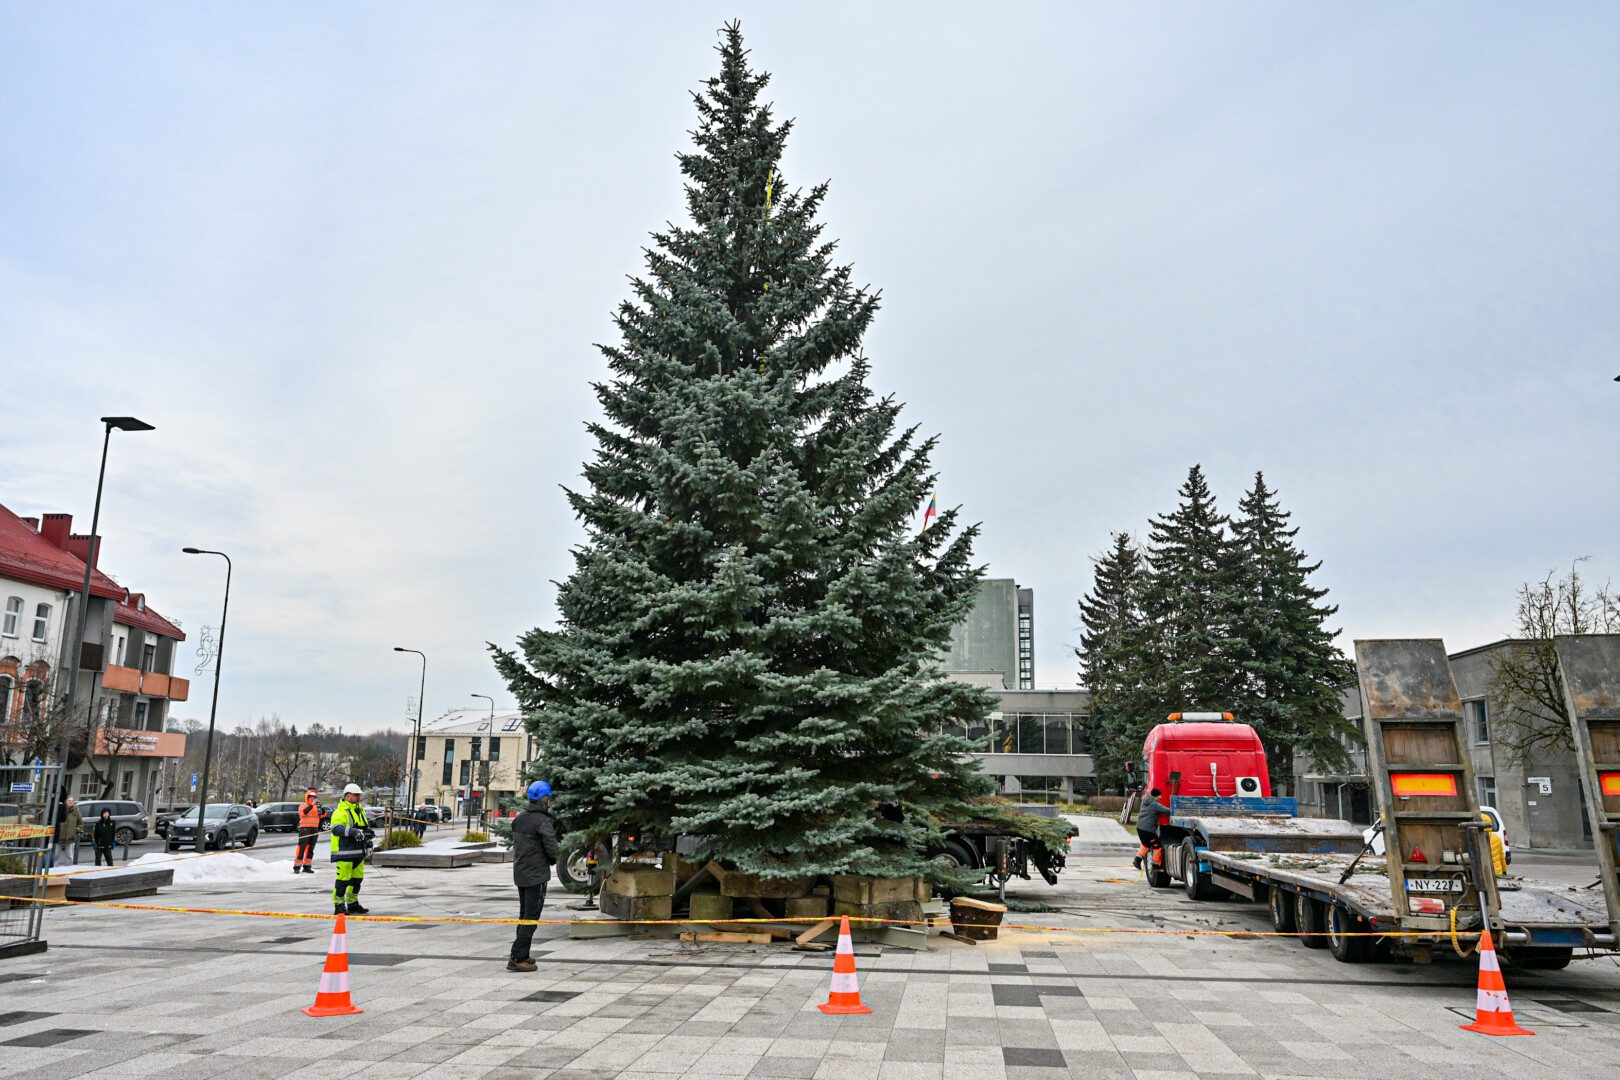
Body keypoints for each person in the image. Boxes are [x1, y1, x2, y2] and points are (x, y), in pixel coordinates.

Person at [507, 780, 559, 973]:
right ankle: (517, 957)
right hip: (536, 875)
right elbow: (551, 847)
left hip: (521, 874)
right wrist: (552, 859)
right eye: (548, 798)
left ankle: (523, 953)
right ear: (544, 799)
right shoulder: (543, 821)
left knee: (524, 915)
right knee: (531, 916)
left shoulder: (520, 818)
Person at [329, 784, 374, 915]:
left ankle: (352, 903)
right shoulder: (340, 811)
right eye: (356, 795)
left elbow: (363, 829)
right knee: (343, 881)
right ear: (348, 796)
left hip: (358, 853)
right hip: (344, 852)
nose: (358, 797)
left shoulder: (359, 810)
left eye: (359, 795)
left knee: (356, 880)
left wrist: (368, 841)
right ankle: (339, 905)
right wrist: (353, 831)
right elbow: (336, 829)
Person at [1132, 787, 1172, 870]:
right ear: (1156, 796)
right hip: (1148, 830)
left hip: (1140, 828)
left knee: (1146, 844)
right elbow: (1167, 811)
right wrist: (1176, 810)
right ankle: (1155, 864)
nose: (1161, 797)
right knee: (1157, 846)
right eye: (1160, 795)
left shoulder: (1145, 801)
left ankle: (1137, 860)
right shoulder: (1155, 804)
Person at [293, 789, 321, 874]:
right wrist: (311, 805)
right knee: (301, 848)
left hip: (314, 829)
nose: (312, 799)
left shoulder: (317, 807)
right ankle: (297, 866)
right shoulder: (303, 806)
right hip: (305, 829)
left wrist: (320, 807)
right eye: (310, 797)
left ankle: (307, 866)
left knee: (310, 848)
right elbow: (303, 813)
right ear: (307, 798)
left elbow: (323, 815)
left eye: (314, 797)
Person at [53, 796, 83, 868]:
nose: (71, 802)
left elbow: (80, 823)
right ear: (66, 801)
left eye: (72, 800)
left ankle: (68, 868)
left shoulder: (76, 811)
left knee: (69, 855)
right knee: (56, 854)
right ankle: (54, 868)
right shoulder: (61, 809)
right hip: (59, 836)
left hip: (70, 836)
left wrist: (76, 830)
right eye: (69, 800)